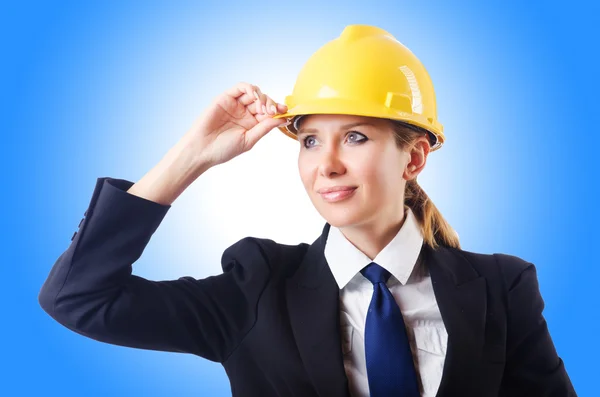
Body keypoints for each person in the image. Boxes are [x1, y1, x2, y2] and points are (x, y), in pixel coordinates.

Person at [38, 25, 576, 397]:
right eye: (311, 141)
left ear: (413, 157)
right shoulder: (257, 285)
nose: (328, 165)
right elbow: (78, 298)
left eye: (357, 137)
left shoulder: (501, 287)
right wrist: (192, 157)